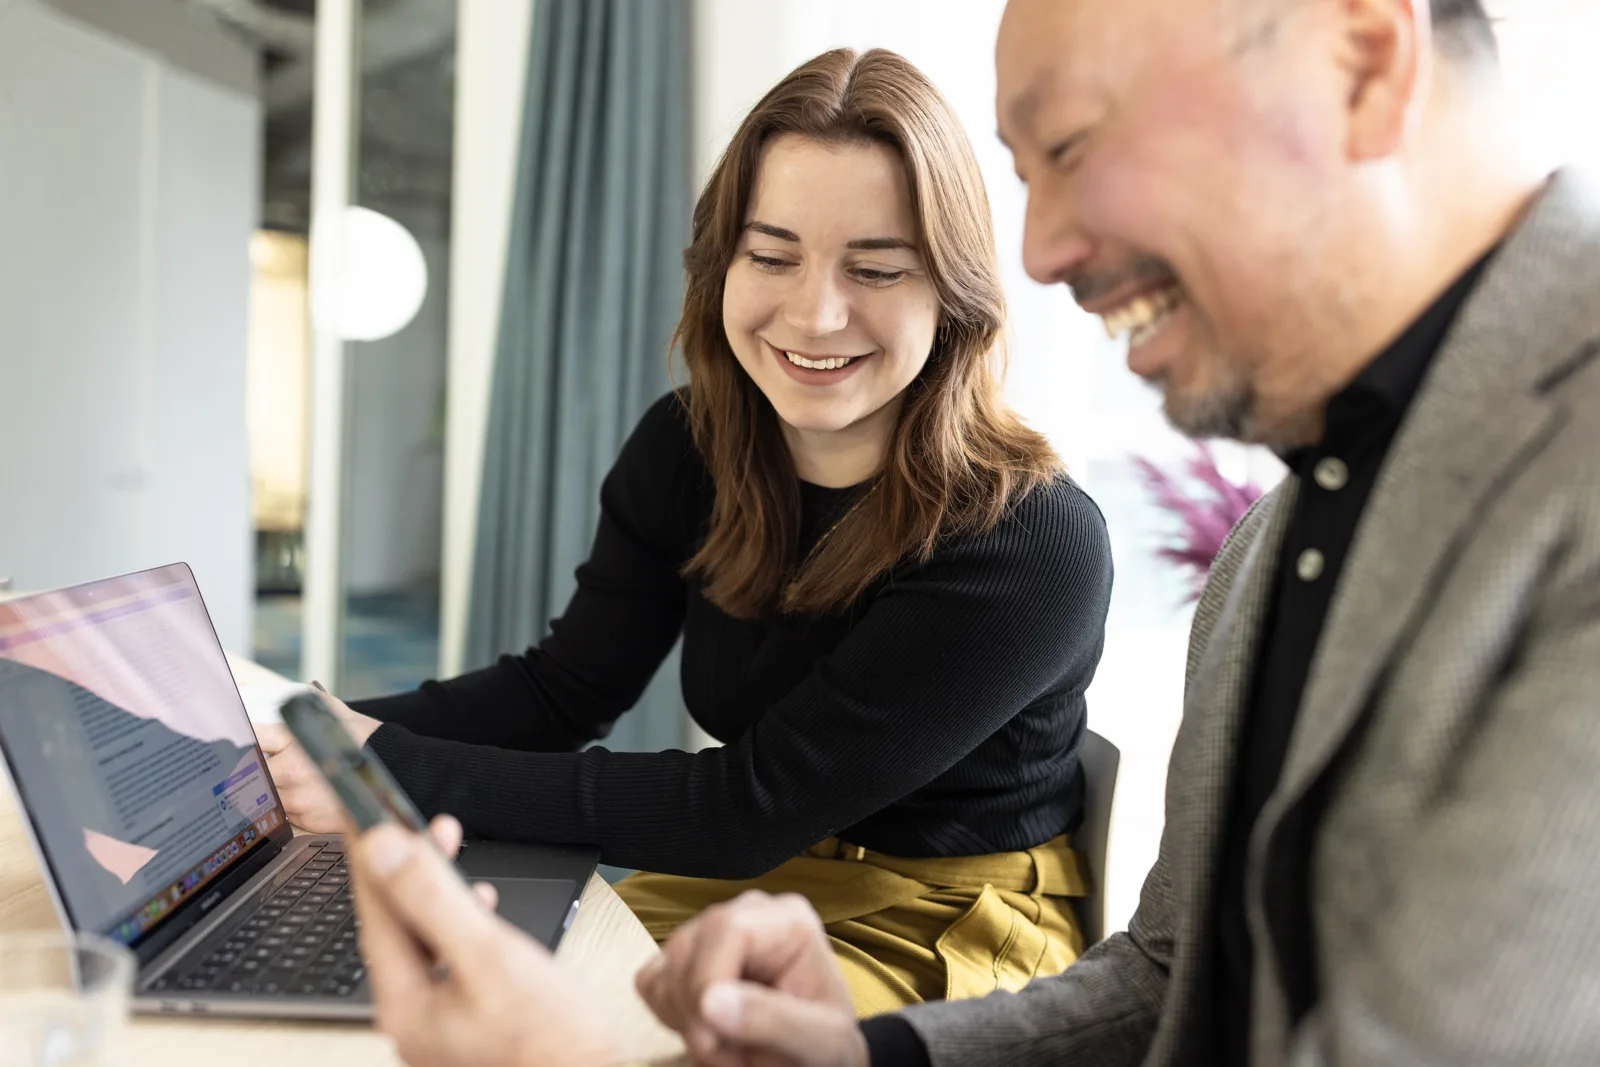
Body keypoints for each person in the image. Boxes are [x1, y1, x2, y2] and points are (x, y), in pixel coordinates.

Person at [344, 0, 1600, 1063]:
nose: (1042, 252)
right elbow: (1167, 976)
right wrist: (865, 1052)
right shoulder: (1277, 538)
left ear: (1364, 62)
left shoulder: (1047, 535)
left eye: (1074, 142)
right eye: (1026, 168)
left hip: (932, 910)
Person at [261, 46, 1114, 1016]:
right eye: (771, 254)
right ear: (720, 262)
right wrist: (312, 726)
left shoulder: (1031, 541)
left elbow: (743, 806)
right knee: (450, 996)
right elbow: (563, 689)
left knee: (592, 1026)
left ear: (952, 295)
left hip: (942, 911)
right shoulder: (690, 446)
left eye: (875, 267)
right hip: (755, 874)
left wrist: (385, 766)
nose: (815, 312)